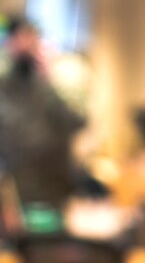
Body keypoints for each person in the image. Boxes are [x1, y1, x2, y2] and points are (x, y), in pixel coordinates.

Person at [0, 12, 86, 210]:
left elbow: (76, 122)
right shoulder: (4, 90)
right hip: (17, 191)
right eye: (20, 38)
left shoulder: (48, 86)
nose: (25, 45)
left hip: (55, 189)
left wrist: (49, 81)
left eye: (31, 38)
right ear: (9, 43)